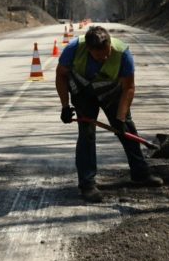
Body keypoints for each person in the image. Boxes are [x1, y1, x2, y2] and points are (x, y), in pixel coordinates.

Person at [55, 25, 162, 203]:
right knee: (87, 135)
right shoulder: (73, 49)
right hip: (83, 93)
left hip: (112, 93)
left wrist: (120, 118)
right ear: (89, 50)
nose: (105, 58)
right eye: (99, 56)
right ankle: (87, 185)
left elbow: (129, 87)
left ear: (110, 43)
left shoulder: (123, 53)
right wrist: (65, 106)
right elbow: (61, 76)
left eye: (107, 53)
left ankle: (140, 173)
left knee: (127, 128)